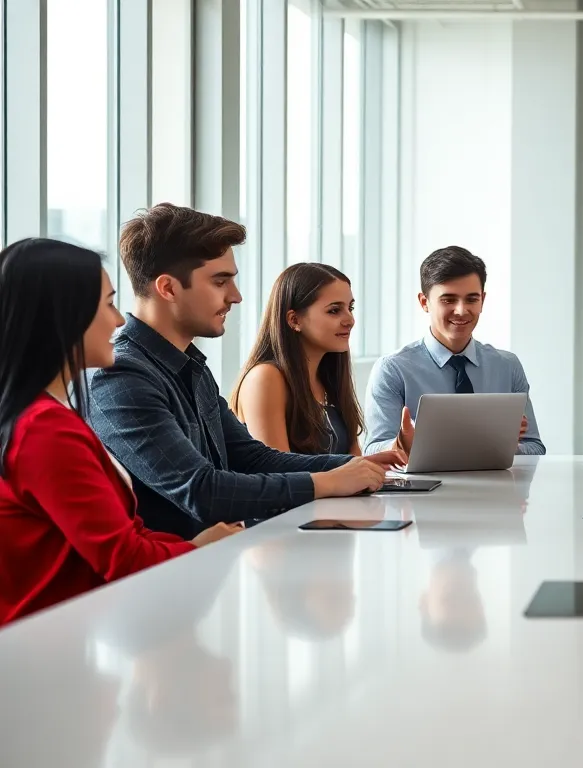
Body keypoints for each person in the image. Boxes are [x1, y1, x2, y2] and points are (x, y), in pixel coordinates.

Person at [87, 203, 401, 540]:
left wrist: (349, 467)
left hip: (214, 562)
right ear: (168, 288)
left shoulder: (191, 366)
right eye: (220, 281)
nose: (235, 297)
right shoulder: (121, 377)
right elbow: (202, 491)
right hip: (171, 578)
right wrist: (326, 481)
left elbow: (251, 457)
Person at [0, 238, 240, 626]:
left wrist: (198, 544)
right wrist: (199, 549)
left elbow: (129, 535)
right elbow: (123, 558)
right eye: (109, 304)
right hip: (43, 652)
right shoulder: (45, 429)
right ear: (65, 317)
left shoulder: (49, 416)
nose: (118, 320)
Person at [364, 246, 542, 455]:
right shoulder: (393, 369)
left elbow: (535, 447)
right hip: (425, 487)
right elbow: (373, 450)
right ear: (424, 302)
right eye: (448, 300)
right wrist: (403, 444)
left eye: (471, 299)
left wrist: (506, 446)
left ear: (482, 301)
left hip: (496, 487)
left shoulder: (507, 366)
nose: (461, 310)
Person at [229, 263, 364, 455]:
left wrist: (378, 464)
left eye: (350, 308)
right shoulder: (265, 378)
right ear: (294, 320)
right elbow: (279, 473)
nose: (350, 319)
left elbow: (354, 465)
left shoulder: (330, 378)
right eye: (334, 310)